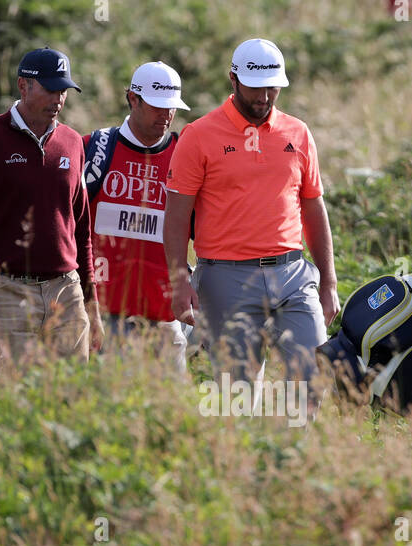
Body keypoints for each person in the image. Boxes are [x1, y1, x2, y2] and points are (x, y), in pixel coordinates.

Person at [164, 38, 339, 397]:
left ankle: (291, 452)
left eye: (272, 88)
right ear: (233, 79)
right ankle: (245, 452)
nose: (264, 97)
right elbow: (177, 215)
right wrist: (179, 280)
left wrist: (329, 283)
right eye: (255, 88)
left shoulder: (299, 133)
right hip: (225, 277)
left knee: (314, 374)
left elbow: (313, 208)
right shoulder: (199, 135)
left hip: (293, 273)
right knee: (237, 393)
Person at [0, 46, 102, 364]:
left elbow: (80, 227)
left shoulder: (72, 142)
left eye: (64, 91)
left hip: (66, 289)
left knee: (72, 392)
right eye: (50, 89)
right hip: (4, 290)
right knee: (13, 393)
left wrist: (90, 300)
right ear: (23, 85)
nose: (58, 99)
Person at [84, 61, 191, 376]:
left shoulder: (185, 153)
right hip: (103, 314)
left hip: (164, 316)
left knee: (171, 413)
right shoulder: (95, 147)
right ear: (132, 99)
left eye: (171, 108)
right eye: (157, 106)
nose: (166, 115)